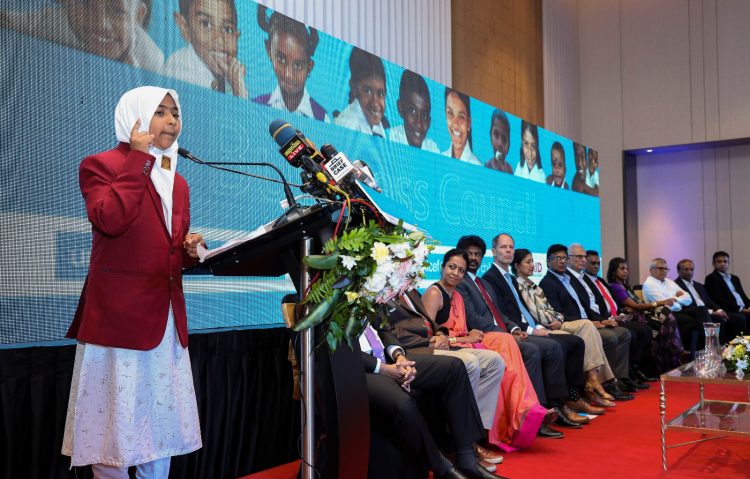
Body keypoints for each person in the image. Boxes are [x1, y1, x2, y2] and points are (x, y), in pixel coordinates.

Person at [61, 86, 204, 478]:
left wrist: (190, 252)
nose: (172, 121)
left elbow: (168, 253)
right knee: (114, 431)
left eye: (175, 113)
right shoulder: (100, 165)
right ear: (134, 116)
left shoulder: (178, 182)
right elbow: (110, 219)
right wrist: (139, 158)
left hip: (165, 322)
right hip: (118, 321)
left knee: (160, 430)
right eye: (160, 112)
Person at [423, 249, 552, 450]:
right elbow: (430, 339)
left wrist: (470, 334)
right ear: (442, 267)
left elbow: (461, 329)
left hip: (463, 342)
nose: (455, 273)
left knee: (503, 344)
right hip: (446, 348)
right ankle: (500, 426)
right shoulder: (434, 293)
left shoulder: (457, 295)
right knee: (495, 357)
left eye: (461, 270)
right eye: (451, 267)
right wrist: (465, 338)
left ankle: (520, 413)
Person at [454, 236, 571, 437]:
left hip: (503, 333)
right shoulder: (461, 283)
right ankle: (534, 414)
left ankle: (551, 406)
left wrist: (514, 328)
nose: (473, 258)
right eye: (469, 254)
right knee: (532, 351)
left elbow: (499, 313)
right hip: (486, 336)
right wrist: (506, 334)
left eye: (477, 254)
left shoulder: (482, 283)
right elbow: (473, 319)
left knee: (553, 345)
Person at [481, 234, 601, 421]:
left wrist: (536, 325)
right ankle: (554, 406)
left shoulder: (509, 278)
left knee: (576, 342)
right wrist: (530, 330)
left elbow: (523, 309)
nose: (508, 250)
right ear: (494, 251)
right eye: (504, 247)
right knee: (555, 346)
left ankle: (574, 397)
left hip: (531, 326)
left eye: (511, 247)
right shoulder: (490, 278)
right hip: (517, 331)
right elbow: (503, 314)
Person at [360, 323, 502, 479]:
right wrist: (383, 368)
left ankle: (467, 458)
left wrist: (399, 355)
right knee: (403, 404)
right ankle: (441, 468)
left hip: (386, 356)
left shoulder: (366, 305)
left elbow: (381, 328)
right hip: (361, 367)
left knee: (454, 368)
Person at [383, 289, 505, 468]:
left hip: (435, 343)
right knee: (469, 363)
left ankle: (475, 436)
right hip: (415, 349)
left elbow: (429, 321)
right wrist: (429, 341)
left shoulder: (411, 291)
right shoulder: (382, 293)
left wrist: (441, 335)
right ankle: (459, 440)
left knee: (494, 361)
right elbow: (388, 331)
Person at [512, 248, 617, 407]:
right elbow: (539, 314)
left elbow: (551, 310)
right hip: (545, 326)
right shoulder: (520, 286)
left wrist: (558, 318)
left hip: (557, 322)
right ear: (517, 265)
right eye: (528, 262)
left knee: (587, 327)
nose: (533, 265)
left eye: (532, 261)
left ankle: (593, 381)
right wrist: (556, 319)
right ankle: (586, 389)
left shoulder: (534, 285)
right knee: (578, 336)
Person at [538, 244, 634, 400]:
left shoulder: (568, 280)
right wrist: (589, 322)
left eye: (564, 258)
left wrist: (601, 320)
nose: (562, 261)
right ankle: (602, 382)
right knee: (607, 336)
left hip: (584, 322)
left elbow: (586, 306)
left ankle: (609, 380)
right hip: (570, 324)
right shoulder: (547, 283)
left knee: (622, 332)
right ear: (548, 262)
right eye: (557, 258)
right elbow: (557, 313)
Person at [0, 0, 164, 72]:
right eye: (85, 3)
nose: (100, 23)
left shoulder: (149, 60)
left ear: (138, 16)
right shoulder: (53, 22)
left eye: (117, 10)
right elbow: (6, 19)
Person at [582, 248, 654, 388]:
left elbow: (611, 301)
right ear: (585, 263)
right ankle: (623, 376)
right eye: (592, 263)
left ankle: (633, 370)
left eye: (598, 263)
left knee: (645, 329)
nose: (596, 266)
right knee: (633, 332)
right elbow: (593, 307)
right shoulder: (584, 282)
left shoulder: (600, 281)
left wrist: (622, 312)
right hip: (604, 319)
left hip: (616, 316)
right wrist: (609, 318)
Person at [606, 257, 684, 374]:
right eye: (622, 268)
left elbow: (636, 304)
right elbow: (635, 306)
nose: (626, 271)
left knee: (665, 315)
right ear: (613, 271)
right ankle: (673, 355)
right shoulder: (615, 286)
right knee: (664, 313)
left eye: (627, 268)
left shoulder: (625, 286)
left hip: (638, 313)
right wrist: (659, 302)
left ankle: (672, 356)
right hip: (630, 316)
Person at [252, 5, 329, 121]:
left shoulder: (322, 119)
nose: (288, 75)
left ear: (309, 67)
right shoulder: (255, 107)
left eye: (298, 65)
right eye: (281, 59)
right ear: (269, 50)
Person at [165, 0, 247, 98]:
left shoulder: (229, 78)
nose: (220, 39)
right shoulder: (179, 71)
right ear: (185, 27)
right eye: (205, 24)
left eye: (227, 29)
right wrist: (240, 95)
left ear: (237, 36)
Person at [642, 258, 712, 353]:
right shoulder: (649, 284)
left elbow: (688, 298)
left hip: (678, 310)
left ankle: (709, 344)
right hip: (664, 315)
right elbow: (665, 304)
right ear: (651, 270)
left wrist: (675, 299)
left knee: (701, 309)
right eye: (661, 268)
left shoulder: (669, 282)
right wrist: (675, 298)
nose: (664, 271)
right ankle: (705, 347)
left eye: (666, 269)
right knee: (695, 322)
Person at [675, 258, 745, 343]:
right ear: (678, 271)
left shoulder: (698, 285)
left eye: (691, 269)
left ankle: (734, 346)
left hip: (708, 311)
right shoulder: (676, 285)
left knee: (738, 318)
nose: (689, 272)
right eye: (686, 269)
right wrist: (712, 312)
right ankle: (715, 346)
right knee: (719, 319)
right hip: (696, 313)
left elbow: (709, 300)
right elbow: (687, 305)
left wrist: (719, 310)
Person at [334, 47, 387, 136]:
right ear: (354, 88)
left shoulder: (378, 128)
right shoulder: (346, 125)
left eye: (381, 94)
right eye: (368, 91)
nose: (375, 103)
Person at [389, 69, 440, 152]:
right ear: (401, 108)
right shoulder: (389, 138)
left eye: (424, 116)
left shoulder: (432, 148)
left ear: (429, 122)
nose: (419, 124)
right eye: (412, 111)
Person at [704, 251, 750, 325]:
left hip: (742, 308)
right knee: (741, 318)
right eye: (719, 262)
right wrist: (741, 309)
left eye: (725, 261)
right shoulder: (711, 278)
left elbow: (743, 296)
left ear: (728, 263)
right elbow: (719, 300)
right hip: (729, 310)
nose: (723, 264)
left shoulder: (735, 278)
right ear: (713, 264)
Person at [443, 88, 481, 165]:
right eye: (450, 113)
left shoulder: (477, 166)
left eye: (461, 117)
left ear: (469, 123)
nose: (455, 125)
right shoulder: (440, 160)